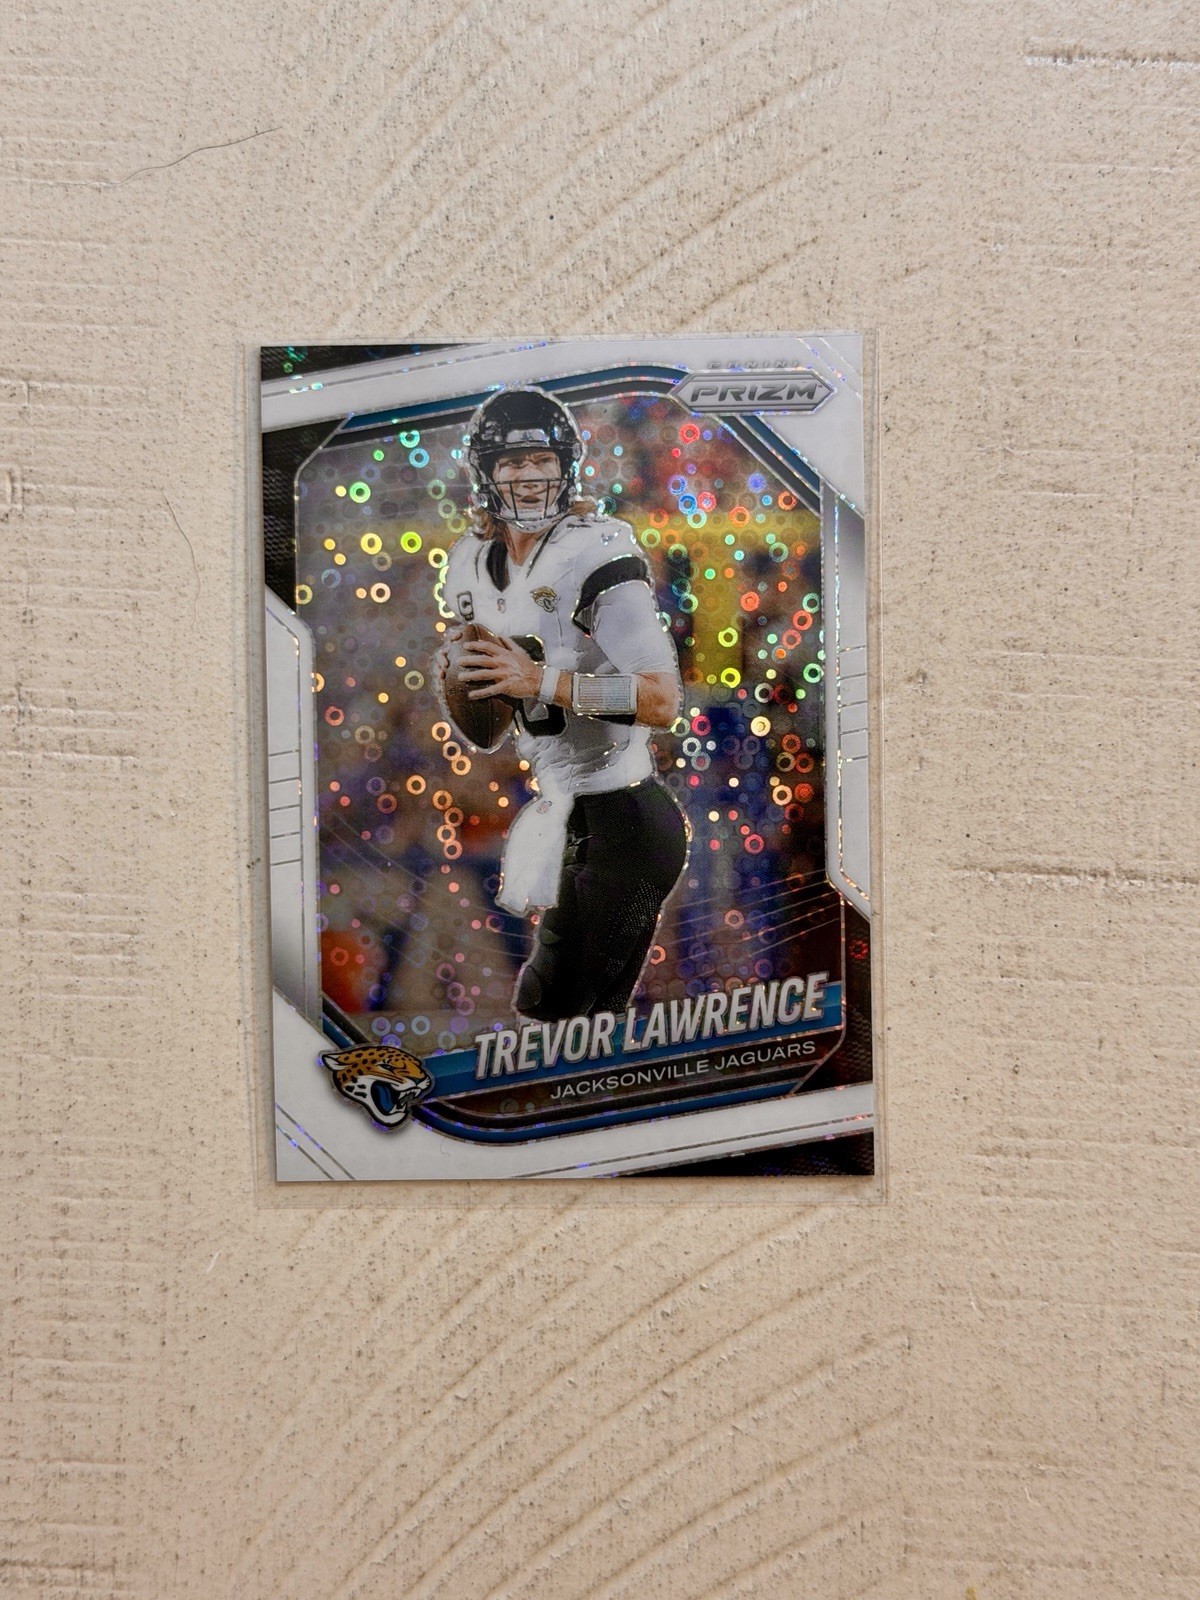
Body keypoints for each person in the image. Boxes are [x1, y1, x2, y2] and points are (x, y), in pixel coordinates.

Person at [436, 386, 688, 1022]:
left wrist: (541, 681)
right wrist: (461, 681)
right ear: (487, 474)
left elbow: (663, 701)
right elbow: (490, 733)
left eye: (541, 459)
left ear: (566, 465)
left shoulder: (596, 549)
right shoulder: (470, 564)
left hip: (625, 818)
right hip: (571, 816)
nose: (529, 476)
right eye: (512, 462)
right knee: (585, 1032)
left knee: (553, 1018)